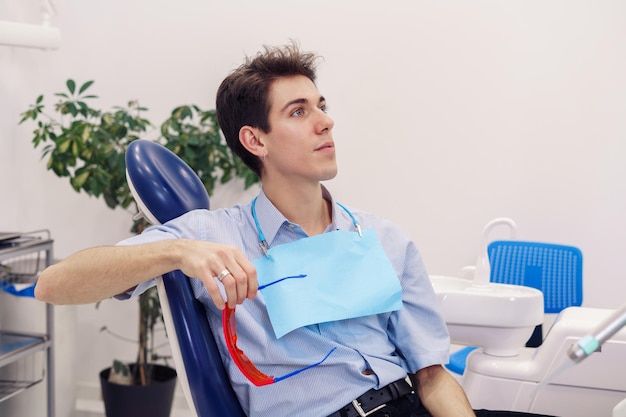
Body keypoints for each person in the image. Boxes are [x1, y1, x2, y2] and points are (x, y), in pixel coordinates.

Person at [35, 43, 553, 417]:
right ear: (255, 140)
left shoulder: (384, 239)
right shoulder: (214, 236)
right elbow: (53, 285)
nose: (325, 122)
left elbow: (433, 376)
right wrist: (179, 252)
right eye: (299, 111)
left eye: (321, 106)